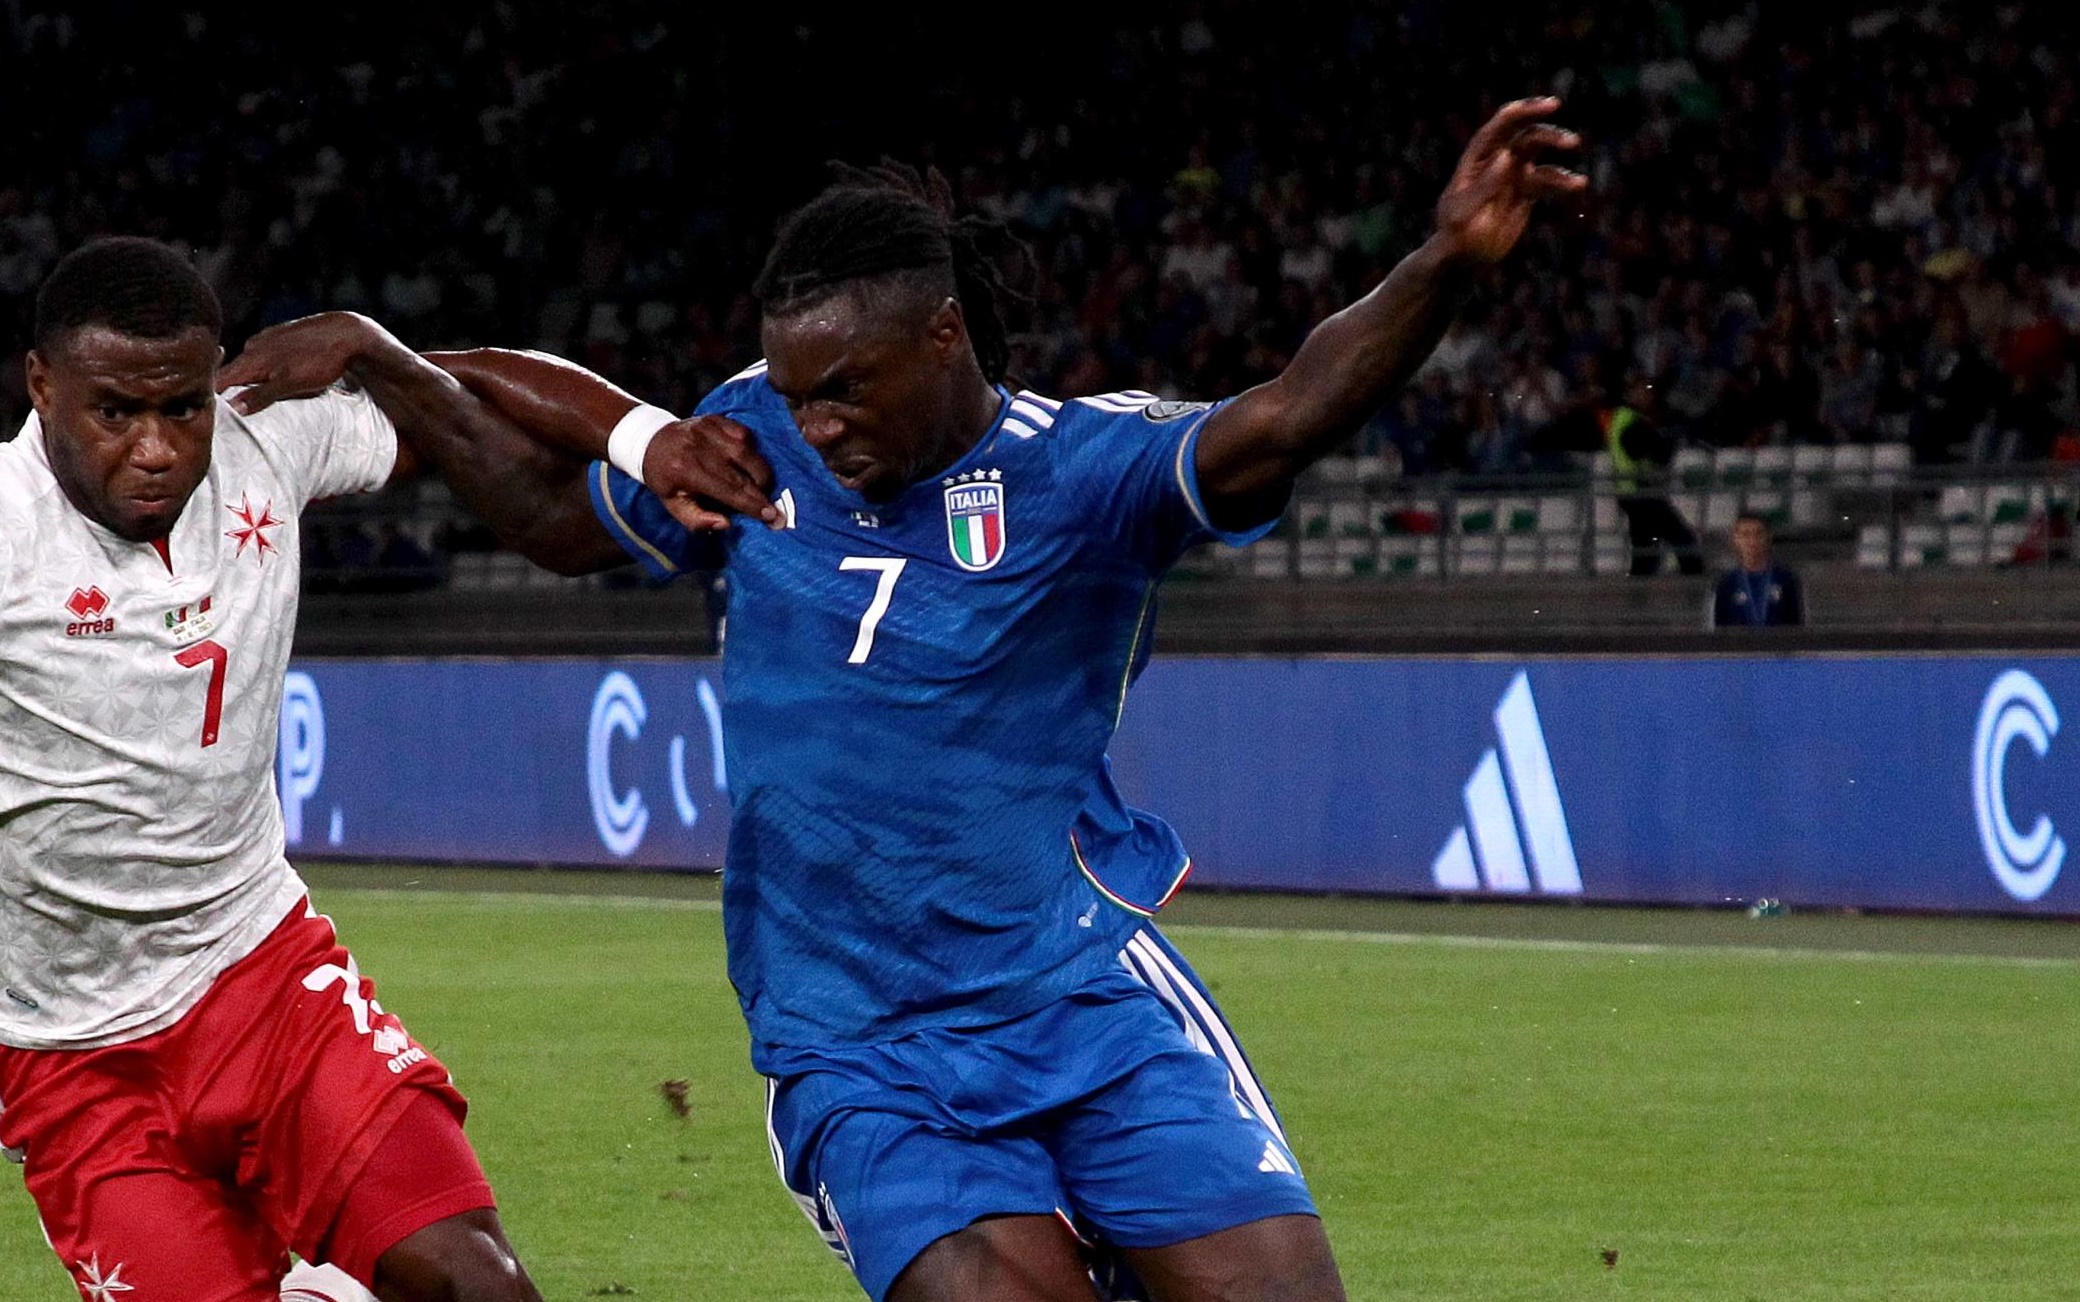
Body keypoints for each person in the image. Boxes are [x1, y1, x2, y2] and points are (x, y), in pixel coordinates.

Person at [227, 99, 1584, 1302]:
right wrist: (392, 360)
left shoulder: (1084, 473)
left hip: (1088, 1003)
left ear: (944, 336)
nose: (813, 425)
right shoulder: (757, 437)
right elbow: (544, 511)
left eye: (844, 390)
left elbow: (1284, 416)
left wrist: (1445, 264)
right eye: (797, 392)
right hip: (861, 1045)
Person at [0, 237, 545, 1302]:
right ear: (42, 386)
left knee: (483, 1286)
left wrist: (641, 435)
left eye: (185, 408)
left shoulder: (262, 450)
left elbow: (456, 407)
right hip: (71, 1060)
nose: (157, 449)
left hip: (264, 984)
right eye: (117, 411)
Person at [1602, 371, 1704, 576]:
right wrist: (1670, 441)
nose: (1649, 395)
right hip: (1641, 491)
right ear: (1632, 393)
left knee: (1645, 546)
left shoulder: (1620, 418)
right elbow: (1657, 453)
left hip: (1628, 491)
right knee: (1680, 537)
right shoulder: (1633, 422)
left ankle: (1638, 589)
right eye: (1643, 390)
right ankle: (1695, 581)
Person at [1711, 511, 1805, 627]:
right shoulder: (1727, 582)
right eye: (1745, 534)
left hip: (1777, 644)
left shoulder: (1786, 579)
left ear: (1769, 536)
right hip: (1738, 644)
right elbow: (1719, 626)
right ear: (1735, 539)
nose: (1752, 541)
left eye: (1758, 534)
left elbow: (1797, 624)